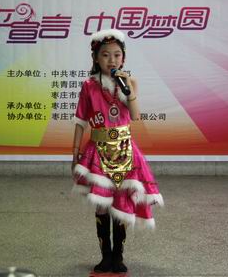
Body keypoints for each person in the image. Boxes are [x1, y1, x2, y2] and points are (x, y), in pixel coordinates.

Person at [71, 29, 163, 273]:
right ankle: (105, 256)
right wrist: (75, 153)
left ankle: (118, 256)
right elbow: (80, 121)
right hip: (97, 151)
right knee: (101, 204)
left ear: (123, 58)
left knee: (121, 203)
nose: (111, 60)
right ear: (96, 58)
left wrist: (127, 90)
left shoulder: (129, 83)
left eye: (116, 55)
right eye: (105, 55)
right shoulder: (89, 86)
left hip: (125, 151)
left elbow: (135, 115)